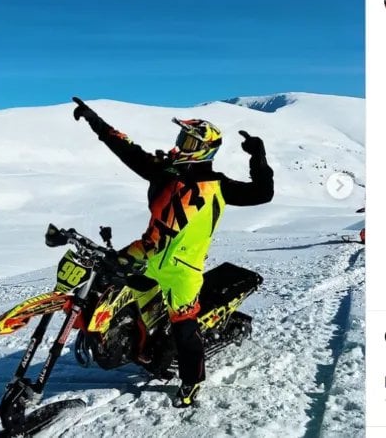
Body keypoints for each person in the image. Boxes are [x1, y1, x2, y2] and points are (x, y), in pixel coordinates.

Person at [71, 97, 274, 407]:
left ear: (205, 148)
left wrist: (257, 155)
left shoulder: (217, 185)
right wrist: (93, 119)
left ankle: (191, 382)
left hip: (184, 271)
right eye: (181, 138)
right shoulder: (165, 172)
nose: (181, 145)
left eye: (189, 140)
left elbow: (263, 193)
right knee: (115, 295)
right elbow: (128, 150)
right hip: (150, 260)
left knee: (184, 327)